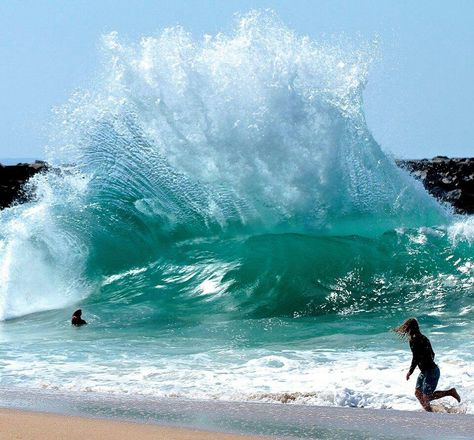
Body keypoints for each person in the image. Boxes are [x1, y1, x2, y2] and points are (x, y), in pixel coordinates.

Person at [394, 317, 460, 412]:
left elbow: (415, 357)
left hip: (431, 371)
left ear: (409, 328)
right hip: (427, 371)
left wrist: (410, 372)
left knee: (426, 397)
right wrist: (426, 363)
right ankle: (429, 412)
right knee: (418, 393)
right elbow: (433, 354)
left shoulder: (414, 340)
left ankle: (450, 392)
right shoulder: (424, 338)